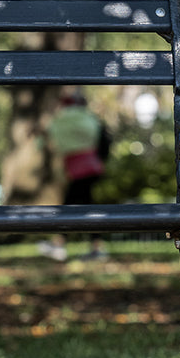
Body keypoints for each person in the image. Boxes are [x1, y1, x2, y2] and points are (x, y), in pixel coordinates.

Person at [41, 89, 110, 261]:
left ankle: (60, 245)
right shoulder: (89, 119)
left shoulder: (62, 119)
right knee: (86, 206)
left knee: (71, 206)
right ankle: (94, 247)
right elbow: (104, 139)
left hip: (82, 169)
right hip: (90, 168)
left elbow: (47, 138)